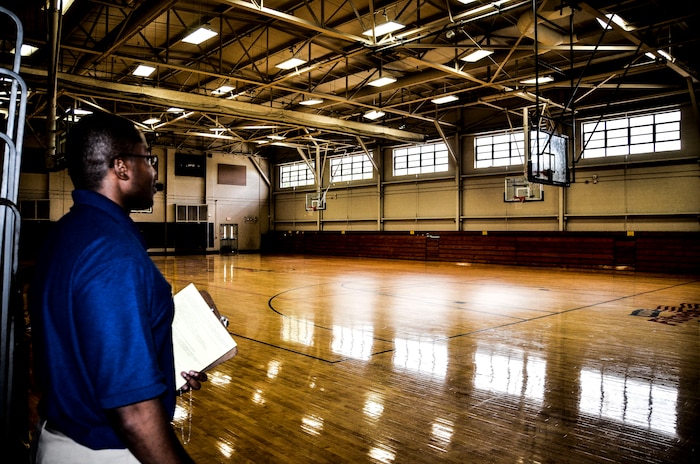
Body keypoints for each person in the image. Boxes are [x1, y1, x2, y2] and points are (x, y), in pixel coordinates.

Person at [29, 112, 207, 463]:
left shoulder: (67, 232)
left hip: (61, 435)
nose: (155, 173)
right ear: (122, 168)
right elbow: (134, 412)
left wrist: (161, 372)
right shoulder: (112, 251)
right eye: (149, 159)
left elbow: (86, 345)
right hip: (105, 451)